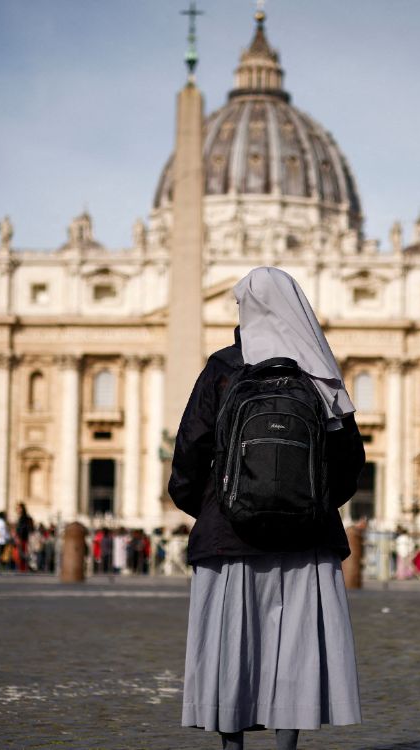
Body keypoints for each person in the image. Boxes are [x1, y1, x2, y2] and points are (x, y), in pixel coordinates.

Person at [171, 267, 364, 749]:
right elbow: (349, 461)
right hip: (307, 535)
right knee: (294, 646)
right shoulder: (319, 372)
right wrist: (311, 504)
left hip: (229, 535)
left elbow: (190, 449)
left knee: (230, 643)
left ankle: (231, 746)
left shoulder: (222, 367)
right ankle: (286, 746)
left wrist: (213, 507)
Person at [15, 503, 33, 572]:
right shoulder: (22, 517)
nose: (17, 510)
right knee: (21, 554)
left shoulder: (24, 517)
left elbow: (23, 528)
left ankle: (23, 568)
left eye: (18, 508)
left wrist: (18, 535)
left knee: (22, 553)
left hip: (23, 538)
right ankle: (22, 568)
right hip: (22, 538)